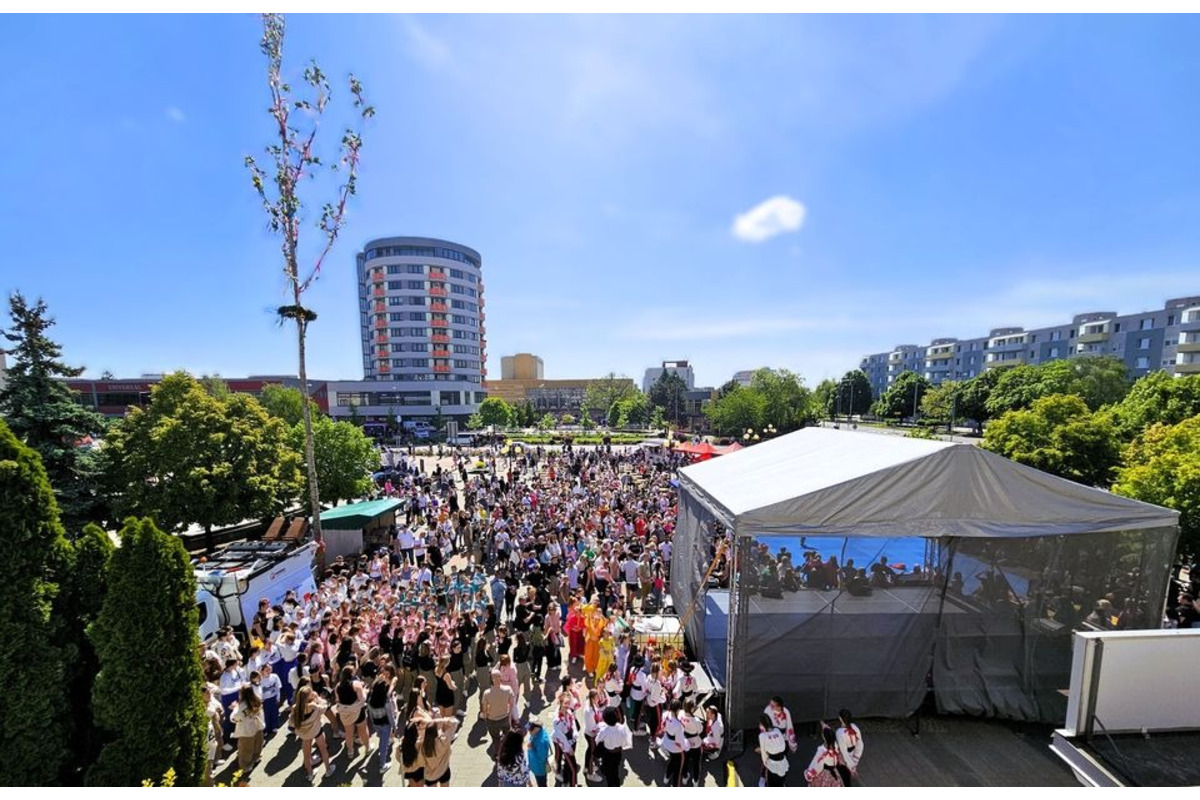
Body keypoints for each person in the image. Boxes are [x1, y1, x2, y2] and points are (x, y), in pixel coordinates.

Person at [292, 685, 333, 782]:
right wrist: (318, 698)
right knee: (323, 749)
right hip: (316, 731)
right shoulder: (312, 706)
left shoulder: (295, 707)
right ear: (308, 696)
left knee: (306, 755)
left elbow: (291, 721)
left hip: (304, 734)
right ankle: (328, 769)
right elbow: (324, 707)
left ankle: (310, 774)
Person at [335, 665, 370, 760]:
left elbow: (337, 700)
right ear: (352, 674)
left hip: (345, 714)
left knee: (348, 733)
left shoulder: (338, 686)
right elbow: (362, 699)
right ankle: (367, 748)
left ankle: (350, 751)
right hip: (358, 711)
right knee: (363, 730)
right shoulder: (356, 684)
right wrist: (365, 691)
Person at [481, 669, 515, 760]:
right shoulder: (508, 689)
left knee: (496, 739)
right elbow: (512, 704)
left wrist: (486, 717)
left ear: (491, 679)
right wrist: (509, 714)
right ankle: (508, 751)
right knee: (507, 735)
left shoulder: (487, 693)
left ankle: (497, 754)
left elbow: (484, 709)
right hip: (504, 718)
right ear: (501, 678)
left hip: (492, 720)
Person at [367, 672, 397, 773]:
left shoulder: (371, 699)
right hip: (385, 724)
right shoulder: (386, 701)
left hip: (376, 723)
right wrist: (394, 726)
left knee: (381, 740)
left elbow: (370, 714)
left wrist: (374, 725)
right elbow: (390, 715)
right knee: (384, 745)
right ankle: (382, 765)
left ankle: (381, 753)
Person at [595, 707, 633, 786]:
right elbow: (626, 741)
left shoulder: (604, 730)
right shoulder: (622, 728)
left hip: (607, 754)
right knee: (615, 770)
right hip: (617, 753)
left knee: (609, 775)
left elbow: (597, 740)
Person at [231, 685, 265, 773]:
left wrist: (234, 708)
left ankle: (246, 766)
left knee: (246, 749)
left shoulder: (243, 706)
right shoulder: (257, 700)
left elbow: (236, 718)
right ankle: (256, 757)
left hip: (247, 731)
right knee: (257, 744)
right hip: (258, 726)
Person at [420, 716, 459, 787]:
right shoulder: (443, 740)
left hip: (430, 775)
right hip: (444, 770)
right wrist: (440, 720)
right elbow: (455, 722)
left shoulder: (422, 744)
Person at [659, 700, 689, 786]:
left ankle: (667, 777)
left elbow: (663, 728)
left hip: (666, 741)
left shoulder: (665, 714)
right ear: (678, 710)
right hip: (675, 747)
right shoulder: (678, 725)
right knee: (678, 769)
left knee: (672, 760)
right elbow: (679, 741)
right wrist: (687, 747)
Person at [552, 700, 580, 786]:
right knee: (573, 768)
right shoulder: (557, 720)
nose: (567, 705)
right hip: (564, 743)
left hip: (571, 739)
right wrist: (568, 748)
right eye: (565, 703)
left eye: (568, 703)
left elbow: (573, 724)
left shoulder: (568, 712)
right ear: (560, 703)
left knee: (569, 764)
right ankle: (570, 783)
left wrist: (575, 734)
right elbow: (561, 738)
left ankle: (566, 782)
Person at [757, 712, 789, 787]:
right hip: (783, 762)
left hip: (772, 764)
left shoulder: (762, 736)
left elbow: (764, 755)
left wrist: (766, 764)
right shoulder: (777, 730)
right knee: (780, 783)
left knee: (771, 784)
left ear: (762, 725)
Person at [834, 708, 863, 786]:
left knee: (842, 775)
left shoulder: (839, 732)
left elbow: (843, 752)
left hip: (844, 759)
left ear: (840, 718)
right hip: (852, 754)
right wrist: (855, 759)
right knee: (846, 776)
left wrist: (851, 767)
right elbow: (860, 744)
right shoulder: (854, 727)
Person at [526, 715, 553, 786]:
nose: (529, 731)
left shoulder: (541, 742)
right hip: (536, 767)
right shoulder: (538, 732)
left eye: (530, 729)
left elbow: (541, 758)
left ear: (536, 728)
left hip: (539, 769)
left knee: (542, 784)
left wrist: (530, 749)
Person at [398, 722, 425, 787]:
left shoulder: (402, 745)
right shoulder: (419, 743)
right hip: (419, 769)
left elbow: (398, 757)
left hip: (409, 768)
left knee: (412, 785)